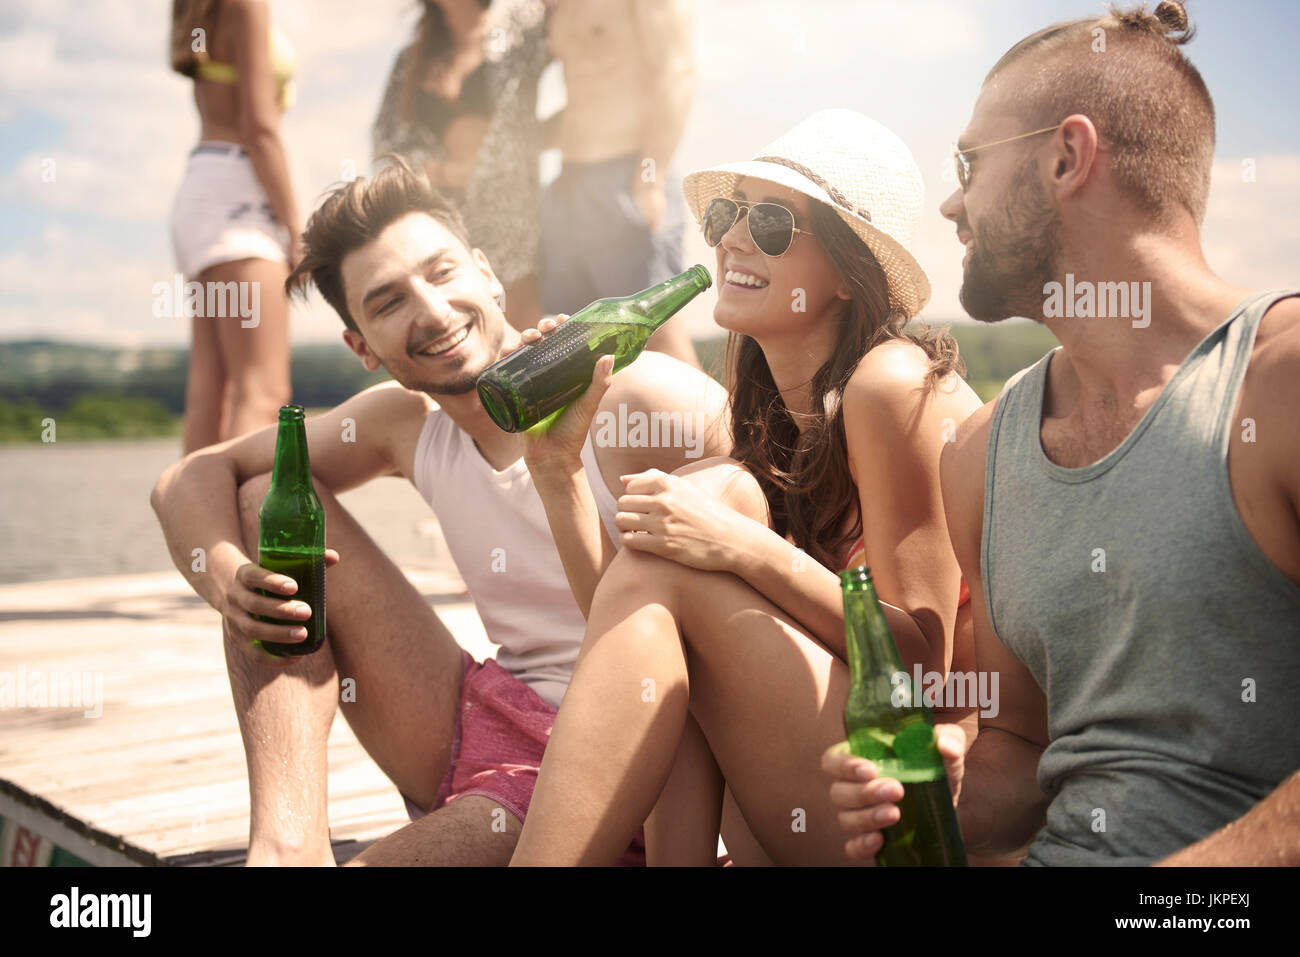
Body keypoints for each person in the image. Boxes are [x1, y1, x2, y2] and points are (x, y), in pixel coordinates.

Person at [824, 0, 1300, 866]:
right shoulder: (980, 457)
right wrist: (931, 801)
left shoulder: (1281, 381)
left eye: (969, 161)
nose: (950, 200)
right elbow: (1026, 752)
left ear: (1067, 156)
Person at [150, 157, 729, 866]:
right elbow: (189, 478)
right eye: (388, 302)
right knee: (262, 502)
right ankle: (287, 845)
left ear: (487, 273)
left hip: (613, 757)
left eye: (442, 271)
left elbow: (779, 521)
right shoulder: (407, 423)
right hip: (481, 718)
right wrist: (231, 581)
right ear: (362, 346)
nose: (429, 309)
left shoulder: (637, 397)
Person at [506, 109, 984, 866]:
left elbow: (926, 668)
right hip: (824, 793)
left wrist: (743, 548)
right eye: (730, 215)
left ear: (847, 271)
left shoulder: (889, 385)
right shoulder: (771, 409)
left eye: (769, 221)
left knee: (708, 522)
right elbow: (636, 628)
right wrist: (556, 470)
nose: (730, 238)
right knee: (707, 508)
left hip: (921, 812)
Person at [540, 0, 701, 369]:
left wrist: (650, 177)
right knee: (577, 342)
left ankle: (711, 428)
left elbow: (677, 72)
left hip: (628, 175)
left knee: (657, 335)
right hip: (568, 181)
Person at [169, 0, 300, 454]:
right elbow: (260, 127)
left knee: (213, 391)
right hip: (239, 196)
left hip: (205, 190)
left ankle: (196, 520)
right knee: (263, 390)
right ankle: (238, 523)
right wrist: (295, 226)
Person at [374, 0, 550, 333]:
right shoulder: (412, 61)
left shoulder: (520, 32)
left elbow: (582, 37)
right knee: (465, 332)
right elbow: (385, 142)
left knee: (523, 335)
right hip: (442, 220)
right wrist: (445, 173)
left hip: (510, 216)